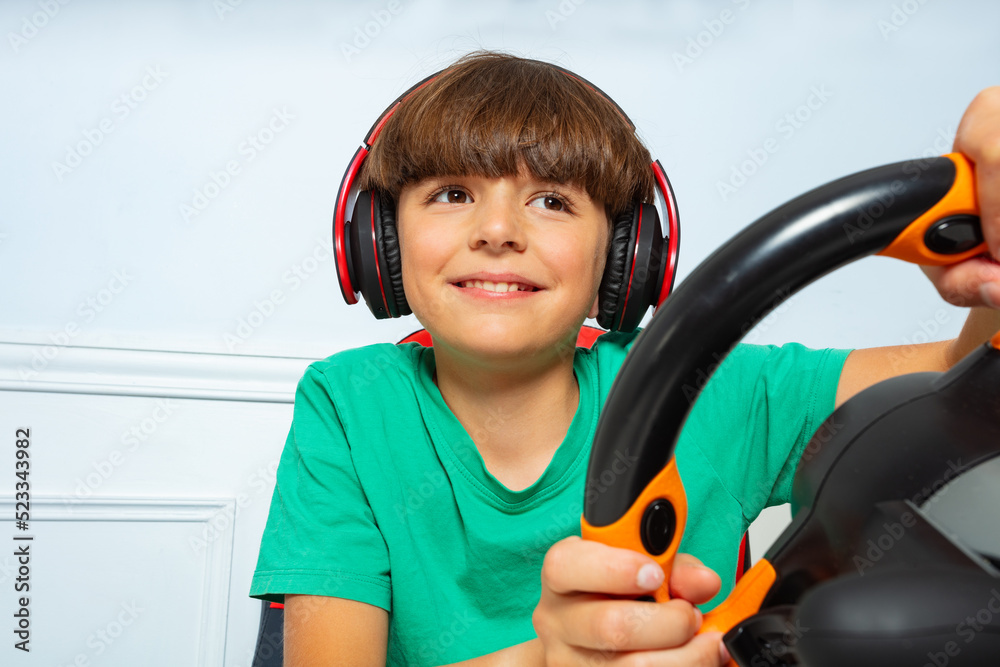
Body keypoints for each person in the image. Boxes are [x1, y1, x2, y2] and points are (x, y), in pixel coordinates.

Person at [250, 50, 1000, 666]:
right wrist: (547, 659)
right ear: (380, 240)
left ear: (626, 258)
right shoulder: (347, 403)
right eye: (451, 193)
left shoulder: (705, 380)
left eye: (552, 201)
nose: (498, 230)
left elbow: (969, 381)